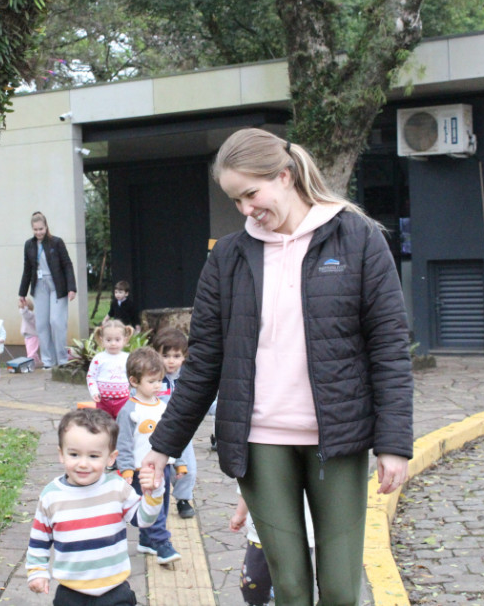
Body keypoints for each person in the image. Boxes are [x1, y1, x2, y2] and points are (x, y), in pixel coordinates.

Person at [141, 128, 414, 605]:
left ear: (284, 176)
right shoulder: (228, 257)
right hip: (260, 441)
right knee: (288, 586)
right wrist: (162, 447)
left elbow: (389, 348)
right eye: (235, 200)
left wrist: (394, 443)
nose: (245, 209)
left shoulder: (357, 238)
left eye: (251, 194)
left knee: (340, 588)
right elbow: (203, 362)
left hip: (339, 439)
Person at [26, 408, 164, 606]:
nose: (83, 464)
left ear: (110, 458)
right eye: (74, 454)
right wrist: (37, 572)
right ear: (61, 454)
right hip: (71, 591)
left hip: (115, 590)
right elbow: (39, 540)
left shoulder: (117, 489)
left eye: (93, 456)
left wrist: (153, 493)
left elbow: (144, 519)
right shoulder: (51, 496)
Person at [116, 347, 185, 566]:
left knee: (161, 506)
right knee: (151, 507)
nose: (157, 386)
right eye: (152, 381)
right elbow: (123, 443)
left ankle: (146, 542)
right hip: (141, 470)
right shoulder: (128, 411)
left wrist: (179, 463)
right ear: (134, 381)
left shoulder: (164, 407)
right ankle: (163, 545)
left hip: (163, 467)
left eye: (160, 381)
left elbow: (174, 438)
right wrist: (126, 468)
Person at [18, 211, 77, 368]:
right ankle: (48, 361)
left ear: (46, 227)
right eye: (35, 229)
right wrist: (22, 293)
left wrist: (72, 287)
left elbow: (67, 265)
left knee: (56, 321)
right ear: (32, 229)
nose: (38, 232)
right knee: (42, 324)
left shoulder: (56, 242)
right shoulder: (29, 245)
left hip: (57, 286)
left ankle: (62, 359)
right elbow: (27, 269)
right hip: (39, 285)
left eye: (41, 229)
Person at [151, 327, 197, 519]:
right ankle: (152, 501)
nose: (171, 361)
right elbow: (135, 396)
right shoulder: (151, 377)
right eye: (165, 355)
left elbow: (203, 399)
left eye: (176, 355)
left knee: (188, 469)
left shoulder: (189, 378)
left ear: (184, 356)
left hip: (181, 431)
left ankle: (183, 499)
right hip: (154, 431)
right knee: (157, 468)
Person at [86, 320, 134, 419]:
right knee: (103, 424)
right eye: (108, 340)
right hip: (102, 401)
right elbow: (91, 376)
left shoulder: (127, 358)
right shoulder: (98, 358)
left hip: (123, 400)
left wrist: (134, 393)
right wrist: (94, 392)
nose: (113, 343)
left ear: (124, 340)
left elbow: (134, 377)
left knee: (122, 422)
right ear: (102, 339)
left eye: (117, 340)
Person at [20, 296, 41, 366]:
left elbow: (25, 313)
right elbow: (23, 313)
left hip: (32, 336)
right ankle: (37, 361)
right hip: (28, 336)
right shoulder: (29, 314)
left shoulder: (30, 314)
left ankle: (30, 364)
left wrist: (24, 307)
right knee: (32, 351)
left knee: (31, 352)